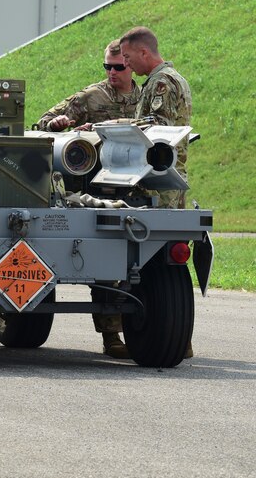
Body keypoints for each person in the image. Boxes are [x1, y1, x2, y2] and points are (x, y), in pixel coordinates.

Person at [38, 40, 140, 359]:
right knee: (107, 265)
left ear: (131, 66)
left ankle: (161, 330)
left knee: (150, 264)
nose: (111, 73)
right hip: (97, 191)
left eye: (118, 67)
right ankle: (112, 335)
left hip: (139, 188)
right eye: (106, 67)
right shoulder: (90, 96)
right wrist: (58, 126)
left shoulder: (145, 100)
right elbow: (42, 123)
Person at [120, 26, 193, 209]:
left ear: (143, 53)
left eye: (127, 57)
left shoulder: (162, 82)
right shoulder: (166, 78)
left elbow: (159, 128)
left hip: (160, 181)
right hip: (162, 179)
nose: (126, 64)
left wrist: (118, 125)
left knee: (160, 235)